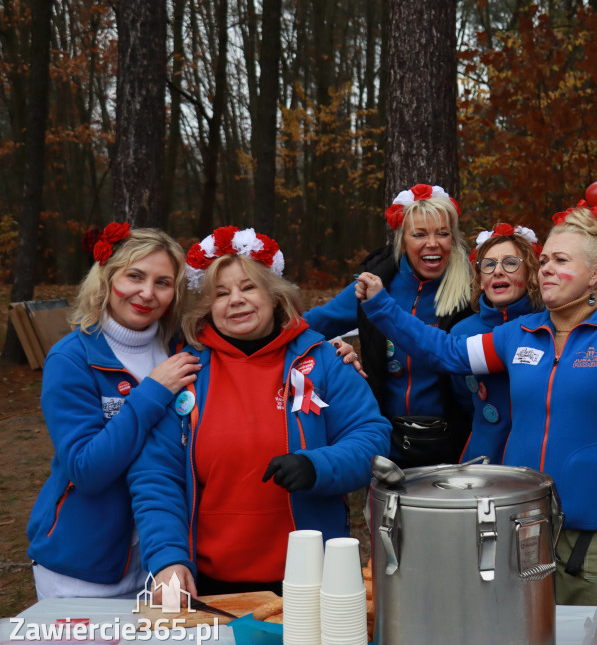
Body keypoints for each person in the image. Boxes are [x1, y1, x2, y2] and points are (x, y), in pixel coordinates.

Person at [356, 203, 597, 604]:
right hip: (523, 526)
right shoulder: (520, 333)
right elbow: (447, 352)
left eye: (560, 260)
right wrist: (382, 306)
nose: (544, 267)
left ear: (596, 274)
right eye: (543, 260)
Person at [128, 227, 391, 597]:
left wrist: (318, 465)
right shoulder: (185, 372)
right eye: (221, 293)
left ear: (274, 295)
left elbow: (371, 439)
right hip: (211, 581)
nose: (236, 300)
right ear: (207, 307)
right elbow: (156, 476)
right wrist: (168, 558)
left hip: (314, 574)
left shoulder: (324, 360)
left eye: (248, 287)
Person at [26, 225, 201, 599]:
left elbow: (262, 331)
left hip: (168, 562)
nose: (147, 293)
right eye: (134, 276)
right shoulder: (71, 359)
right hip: (84, 569)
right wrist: (153, 391)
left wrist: (330, 354)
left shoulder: (184, 350)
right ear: (106, 277)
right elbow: (87, 469)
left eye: (163, 282)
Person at [305, 184, 474, 466]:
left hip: (455, 445)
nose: (432, 243)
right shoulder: (374, 284)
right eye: (419, 234)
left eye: (442, 233)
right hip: (387, 444)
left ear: (453, 239)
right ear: (402, 240)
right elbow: (312, 323)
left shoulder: (473, 288)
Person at [451, 223, 544, 462]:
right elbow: (462, 399)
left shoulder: (550, 326)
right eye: (489, 265)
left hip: (536, 460)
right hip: (482, 459)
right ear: (481, 279)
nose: (498, 271)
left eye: (511, 263)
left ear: (530, 273)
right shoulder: (462, 332)